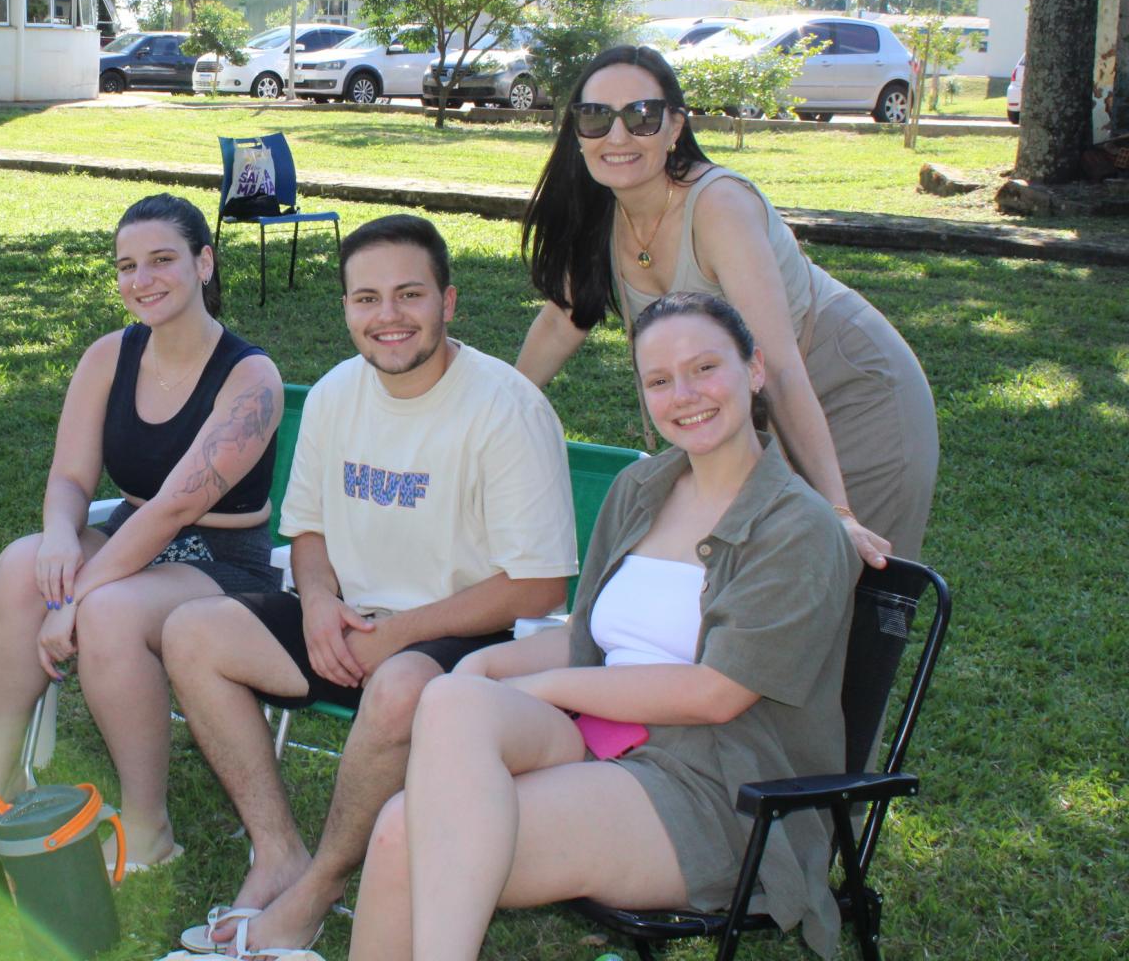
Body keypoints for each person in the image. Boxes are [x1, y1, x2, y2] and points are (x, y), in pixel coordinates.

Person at [347, 292, 861, 961]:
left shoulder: (796, 527)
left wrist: (542, 693)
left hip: (719, 796)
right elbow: (587, 637)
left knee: (403, 836)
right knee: (441, 726)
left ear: (754, 369)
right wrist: (480, 678)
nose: (685, 393)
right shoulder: (641, 489)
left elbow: (717, 693)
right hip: (605, 748)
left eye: (705, 368)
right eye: (659, 379)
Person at [158, 214, 578, 958]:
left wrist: (400, 635)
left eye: (409, 295)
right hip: (351, 625)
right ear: (347, 308)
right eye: (366, 298)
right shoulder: (333, 394)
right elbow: (308, 529)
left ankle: (316, 890)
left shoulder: (506, 407)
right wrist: (317, 603)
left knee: (399, 687)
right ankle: (276, 850)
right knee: (192, 632)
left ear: (448, 303)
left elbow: (540, 586)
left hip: (465, 637)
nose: (388, 317)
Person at [0, 194, 283, 880]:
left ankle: (147, 825)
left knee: (107, 611)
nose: (142, 280)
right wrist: (61, 536)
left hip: (219, 559)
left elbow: (170, 513)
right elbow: (70, 475)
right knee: (19, 567)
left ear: (204, 262)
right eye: (128, 265)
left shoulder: (251, 378)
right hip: (131, 536)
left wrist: (74, 598)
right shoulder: (108, 356)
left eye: (162, 260)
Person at [517, 44, 937, 566]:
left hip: (845, 388)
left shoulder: (718, 206)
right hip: (743, 413)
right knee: (738, 587)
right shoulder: (602, 211)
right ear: (576, 131)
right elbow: (562, 322)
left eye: (641, 116)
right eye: (596, 116)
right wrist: (496, 411)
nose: (618, 136)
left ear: (674, 127)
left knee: (838, 582)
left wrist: (839, 511)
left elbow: (780, 366)